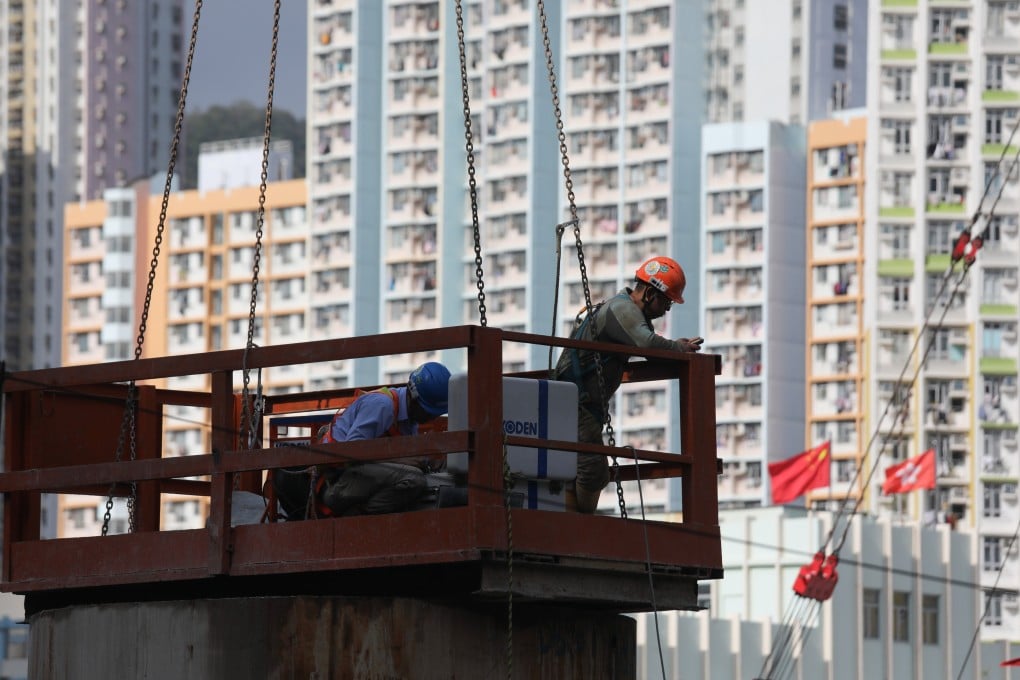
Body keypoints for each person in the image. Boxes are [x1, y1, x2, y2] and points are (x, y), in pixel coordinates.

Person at [554, 256, 703, 513]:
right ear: (648, 292)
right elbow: (647, 344)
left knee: (587, 469)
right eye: (666, 300)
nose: (667, 309)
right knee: (592, 470)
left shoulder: (629, 312)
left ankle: (573, 519)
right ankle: (579, 527)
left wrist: (674, 346)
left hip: (581, 403)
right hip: (574, 401)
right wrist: (678, 348)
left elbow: (648, 344)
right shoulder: (622, 310)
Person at [274, 361, 451, 520]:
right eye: (429, 412)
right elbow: (351, 452)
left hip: (356, 481)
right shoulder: (383, 406)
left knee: (425, 477)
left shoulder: (409, 420)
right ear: (414, 399)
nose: (431, 418)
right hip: (337, 482)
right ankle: (360, 517)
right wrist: (405, 460)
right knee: (414, 479)